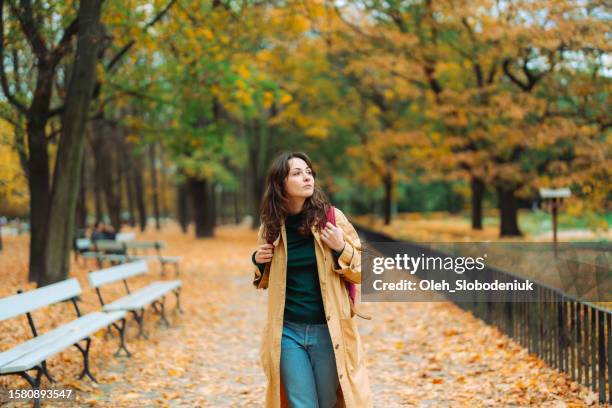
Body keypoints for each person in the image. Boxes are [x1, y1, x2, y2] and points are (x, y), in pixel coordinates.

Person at [251, 152, 372, 408]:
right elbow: (264, 280)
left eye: (308, 171)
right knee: (301, 403)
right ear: (280, 183)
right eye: (297, 173)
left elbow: (365, 270)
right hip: (287, 332)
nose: (307, 177)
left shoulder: (331, 219)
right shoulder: (271, 226)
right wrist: (258, 262)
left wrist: (341, 248)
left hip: (329, 331)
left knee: (328, 401)